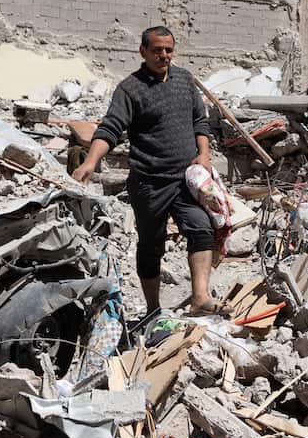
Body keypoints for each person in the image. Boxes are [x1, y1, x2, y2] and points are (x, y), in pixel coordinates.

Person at [71, 26, 220, 314]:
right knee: (151, 245)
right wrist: (90, 163)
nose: (164, 55)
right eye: (157, 50)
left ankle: (200, 296)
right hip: (149, 183)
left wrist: (203, 155)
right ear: (142, 51)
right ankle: (153, 308)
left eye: (168, 50)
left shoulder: (185, 80)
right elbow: (110, 128)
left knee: (201, 228)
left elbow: (199, 122)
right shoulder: (130, 88)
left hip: (186, 181)